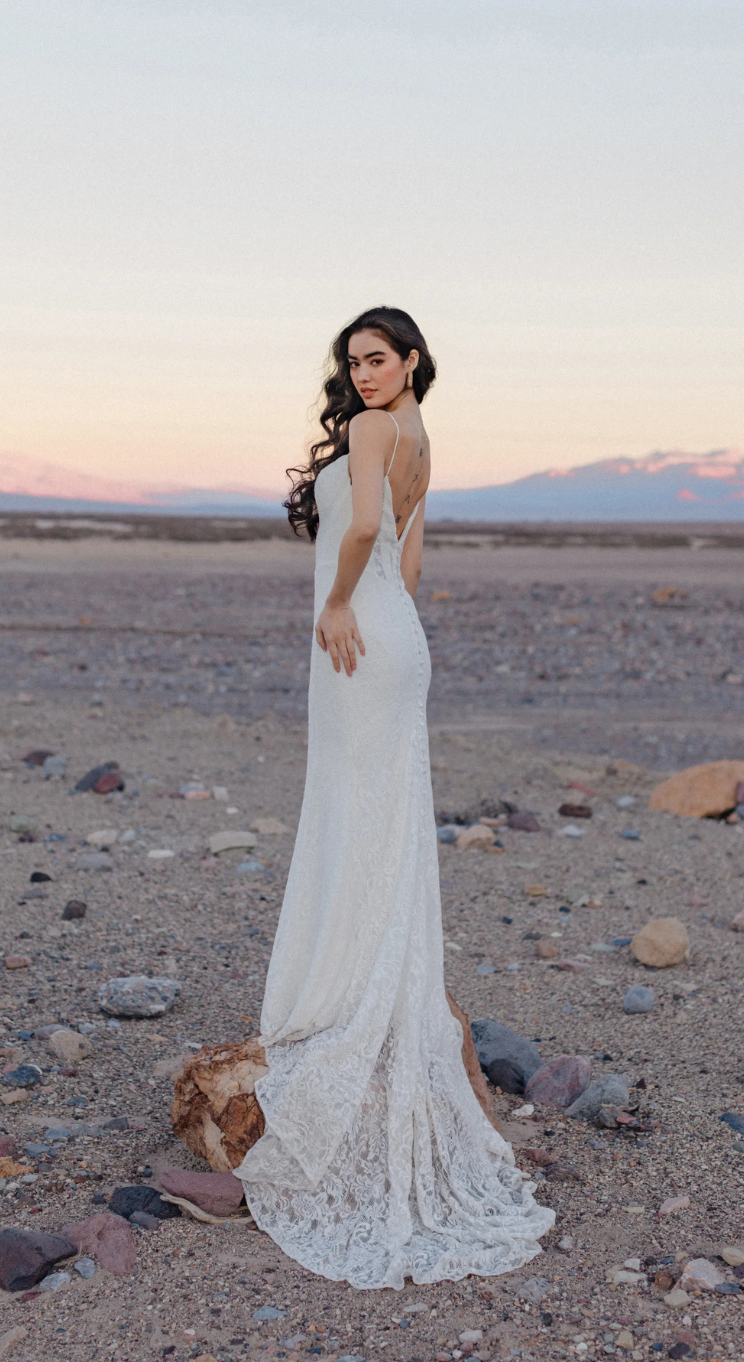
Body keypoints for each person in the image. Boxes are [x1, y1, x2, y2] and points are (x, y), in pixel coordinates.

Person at [237, 307, 554, 1288]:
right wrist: (379, 609)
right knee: (376, 827)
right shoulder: (421, 436)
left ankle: (337, 1014)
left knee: (350, 824)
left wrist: (337, 604)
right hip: (396, 638)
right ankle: (372, 1004)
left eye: (377, 359)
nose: (363, 376)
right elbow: (412, 560)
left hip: (357, 640)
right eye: (353, 363)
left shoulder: (379, 430)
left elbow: (372, 526)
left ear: (412, 359)